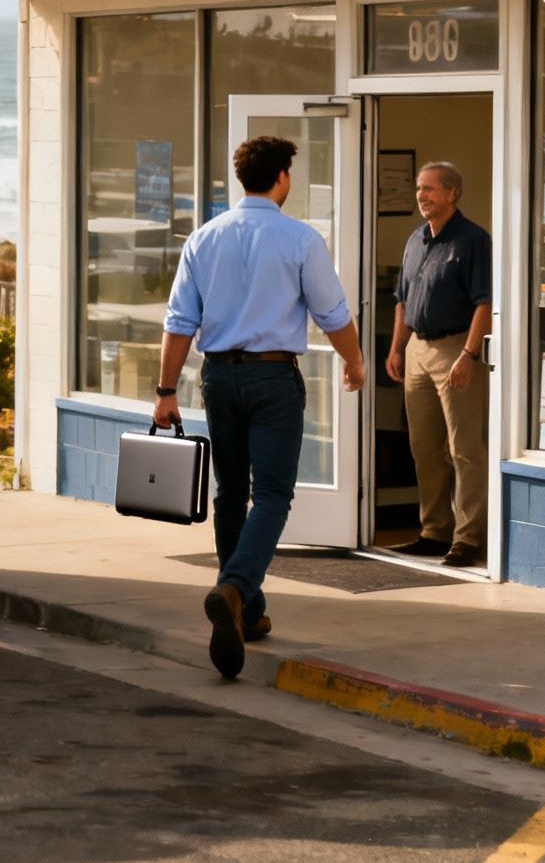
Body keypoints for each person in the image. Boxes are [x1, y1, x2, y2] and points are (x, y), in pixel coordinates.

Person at [153, 135, 364, 680]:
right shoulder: (300, 238)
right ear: (282, 178)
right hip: (273, 378)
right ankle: (234, 588)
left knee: (230, 493)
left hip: (219, 377)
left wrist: (165, 391)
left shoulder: (203, 238)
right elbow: (333, 313)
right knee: (271, 495)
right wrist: (355, 362)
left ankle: (247, 612)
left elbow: (179, 322)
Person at [383, 162, 492, 568]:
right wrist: (397, 349)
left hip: (456, 349)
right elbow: (402, 301)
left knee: (464, 449)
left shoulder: (473, 240)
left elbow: (485, 303)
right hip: (418, 349)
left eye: (429, 189)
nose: (421, 196)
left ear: (452, 193)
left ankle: (468, 538)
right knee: (424, 447)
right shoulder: (416, 240)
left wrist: (469, 354)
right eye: (418, 188)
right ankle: (434, 531)